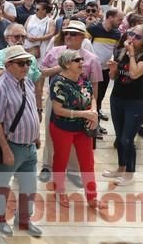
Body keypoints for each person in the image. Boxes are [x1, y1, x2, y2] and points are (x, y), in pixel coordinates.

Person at [0, 45, 43, 237]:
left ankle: (24, 220)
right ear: (9, 65)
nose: (26, 67)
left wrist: (36, 134)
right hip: (12, 145)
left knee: (29, 186)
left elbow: (30, 108)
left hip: (29, 146)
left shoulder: (26, 82)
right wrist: (5, 149)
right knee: (2, 185)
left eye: (28, 62)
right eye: (21, 63)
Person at [48, 49, 105, 209]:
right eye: (77, 60)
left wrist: (93, 112)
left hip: (82, 128)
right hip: (62, 128)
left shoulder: (83, 79)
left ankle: (92, 197)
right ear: (66, 64)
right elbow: (58, 109)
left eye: (81, 59)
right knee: (61, 160)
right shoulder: (58, 82)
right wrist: (84, 114)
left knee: (88, 162)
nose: (82, 62)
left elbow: (92, 97)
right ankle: (59, 191)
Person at [105, 24, 143, 186]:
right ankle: (121, 168)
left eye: (138, 37)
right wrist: (112, 69)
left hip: (136, 101)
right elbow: (114, 77)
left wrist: (132, 54)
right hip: (117, 98)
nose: (132, 38)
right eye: (131, 33)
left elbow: (134, 74)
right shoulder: (122, 51)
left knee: (128, 139)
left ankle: (130, 173)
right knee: (119, 137)